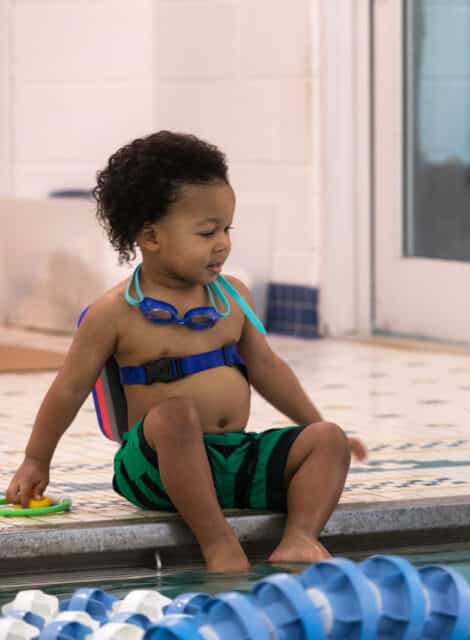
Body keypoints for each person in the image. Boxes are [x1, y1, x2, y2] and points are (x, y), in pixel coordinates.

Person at [6, 131, 367, 573]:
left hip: (232, 458)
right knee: (175, 414)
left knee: (327, 439)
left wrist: (312, 424)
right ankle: (218, 543)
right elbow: (68, 389)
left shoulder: (233, 297)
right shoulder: (114, 313)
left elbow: (269, 369)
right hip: (155, 467)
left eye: (227, 229)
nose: (223, 243)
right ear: (151, 237)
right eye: (206, 232)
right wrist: (36, 459)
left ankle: (299, 538)